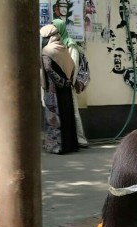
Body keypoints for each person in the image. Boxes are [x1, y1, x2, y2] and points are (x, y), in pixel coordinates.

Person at [40, 24, 79, 154]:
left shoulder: (47, 51)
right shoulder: (63, 48)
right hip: (66, 89)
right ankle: (70, 145)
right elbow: (72, 66)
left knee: (55, 118)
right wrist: (65, 80)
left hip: (54, 90)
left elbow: (48, 68)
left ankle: (57, 147)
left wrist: (59, 81)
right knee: (67, 116)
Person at [52, 19, 90, 148]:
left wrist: (69, 83)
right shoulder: (58, 44)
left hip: (69, 85)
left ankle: (80, 139)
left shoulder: (70, 45)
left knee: (74, 112)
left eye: (55, 30)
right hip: (62, 85)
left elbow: (73, 66)